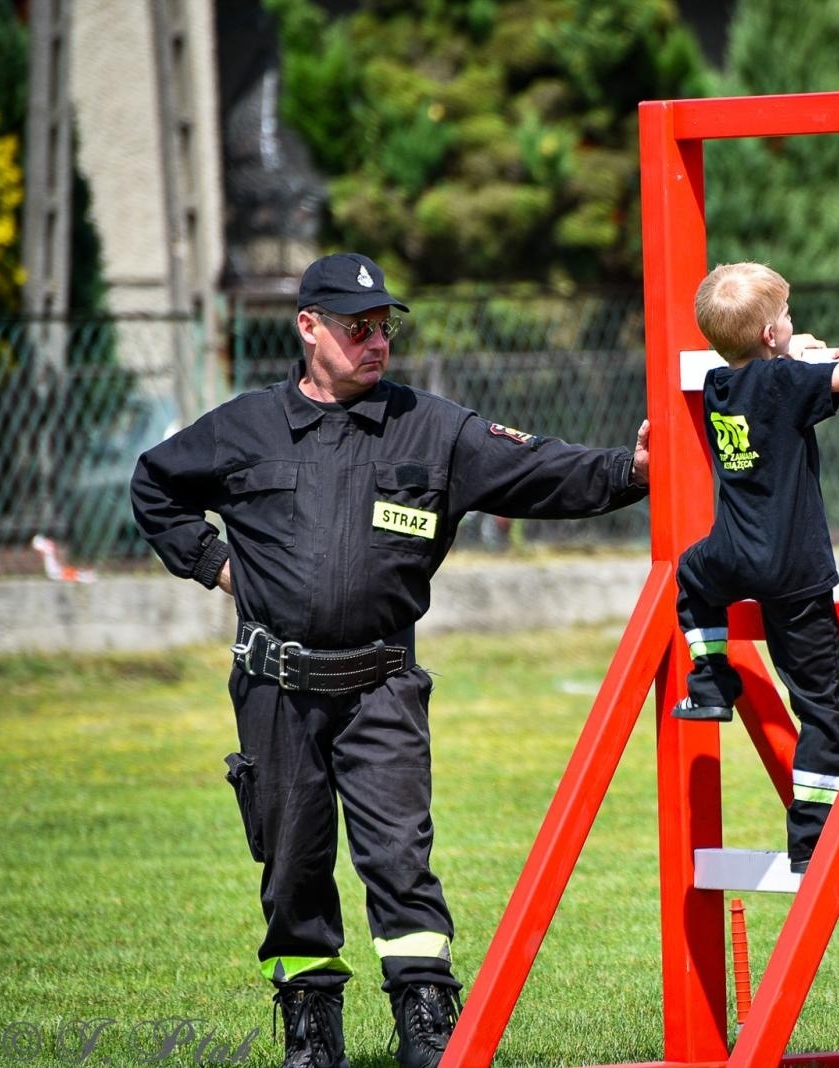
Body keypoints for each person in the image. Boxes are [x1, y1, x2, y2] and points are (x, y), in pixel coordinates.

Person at [130, 252, 650, 1068]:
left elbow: (539, 470)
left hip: (382, 689)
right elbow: (154, 485)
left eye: (384, 329)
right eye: (355, 328)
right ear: (307, 328)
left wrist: (632, 469)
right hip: (276, 690)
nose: (376, 344)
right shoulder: (245, 427)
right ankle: (311, 1029)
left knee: (401, 862)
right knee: (293, 864)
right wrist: (219, 566)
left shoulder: (430, 427)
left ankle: (427, 1025)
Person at [669, 261, 839, 874]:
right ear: (770, 336)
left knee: (689, 576)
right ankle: (814, 833)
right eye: (785, 318)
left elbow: (779, 363)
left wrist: (797, 345)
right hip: (793, 572)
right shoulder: (787, 382)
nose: (792, 325)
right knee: (822, 706)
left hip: (730, 557)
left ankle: (710, 682)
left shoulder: (718, 383)